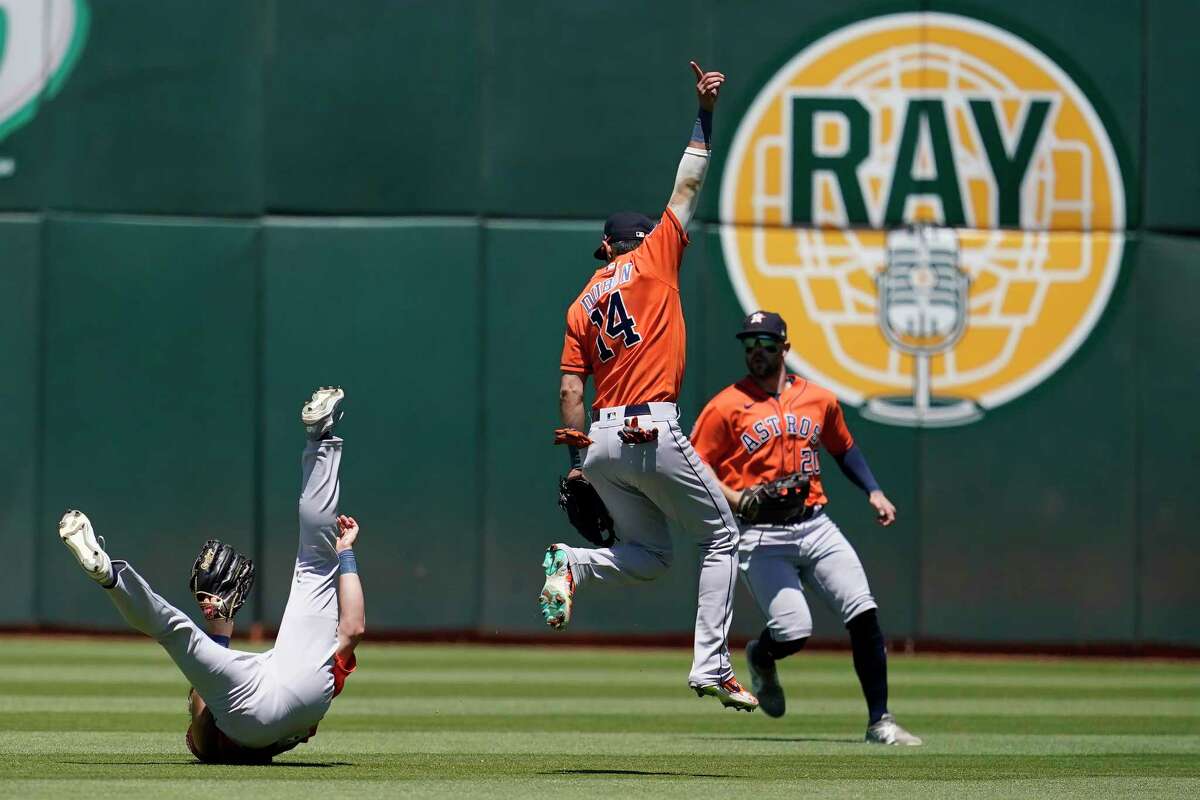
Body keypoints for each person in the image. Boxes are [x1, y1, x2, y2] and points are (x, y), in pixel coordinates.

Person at [542, 61, 757, 711]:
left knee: (651, 553)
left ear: (606, 248)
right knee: (721, 537)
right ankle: (712, 665)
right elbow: (689, 181)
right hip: (653, 428)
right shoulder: (658, 253)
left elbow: (570, 392)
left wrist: (580, 465)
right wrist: (705, 113)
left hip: (605, 440)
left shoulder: (582, 303)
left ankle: (569, 561)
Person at [57, 386, 367, 762]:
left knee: (316, 561)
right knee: (177, 631)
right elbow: (205, 700)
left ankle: (110, 577)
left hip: (280, 703)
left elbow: (353, 629)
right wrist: (217, 636)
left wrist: (347, 554)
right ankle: (321, 437)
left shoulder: (212, 737)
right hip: (295, 687)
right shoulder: (214, 727)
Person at [689, 312, 922, 744]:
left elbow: (845, 449)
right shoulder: (725, 406)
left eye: (767, 343)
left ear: (786, 349)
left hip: (815, 525)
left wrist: (873, 490)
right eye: (750, 344)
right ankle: (762, 656)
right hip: (761, 537)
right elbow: (693, 465)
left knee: (864, 612)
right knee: (794, 632)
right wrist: (736, 497)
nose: (757, 351)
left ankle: (880, 722)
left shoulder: (819, 399)